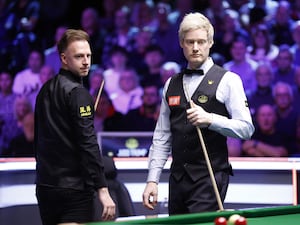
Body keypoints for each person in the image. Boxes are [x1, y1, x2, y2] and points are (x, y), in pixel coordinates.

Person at [142, 12, 254, 215]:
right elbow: (162, 137)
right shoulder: (170, 83)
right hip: (177, 179)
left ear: (210, 42)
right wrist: (152, 179)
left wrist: (211, 120)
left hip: (210, 177)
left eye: (201, 42)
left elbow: (246, 128)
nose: (195, 48)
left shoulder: (229, 80)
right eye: (190, 42)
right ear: (181, 43)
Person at [34, 29, 115, 225]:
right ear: (64, 58)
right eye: (79, 56)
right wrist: (103, 189)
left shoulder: (45, 89)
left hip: (45, 186)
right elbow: (88, 143)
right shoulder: (79, 93)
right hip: (74, 189)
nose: (86, 61)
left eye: (88, 55)